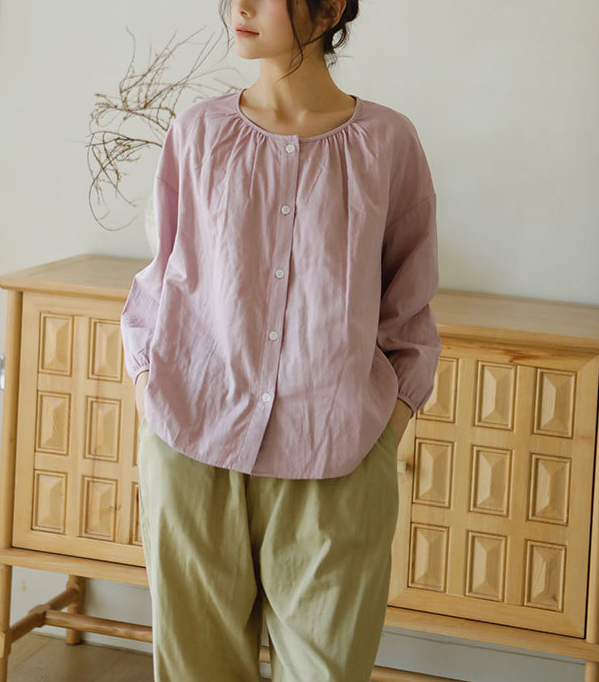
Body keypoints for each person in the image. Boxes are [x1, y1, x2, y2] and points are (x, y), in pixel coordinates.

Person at [120, 0, 442, 679]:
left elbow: (408, 307)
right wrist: (148, 387)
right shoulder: (198, 132)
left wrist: (388, 427)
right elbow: (161, 279)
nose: (239, 6)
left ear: (328, 9)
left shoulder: (388, 143)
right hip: (192, 443)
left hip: (337, 454)